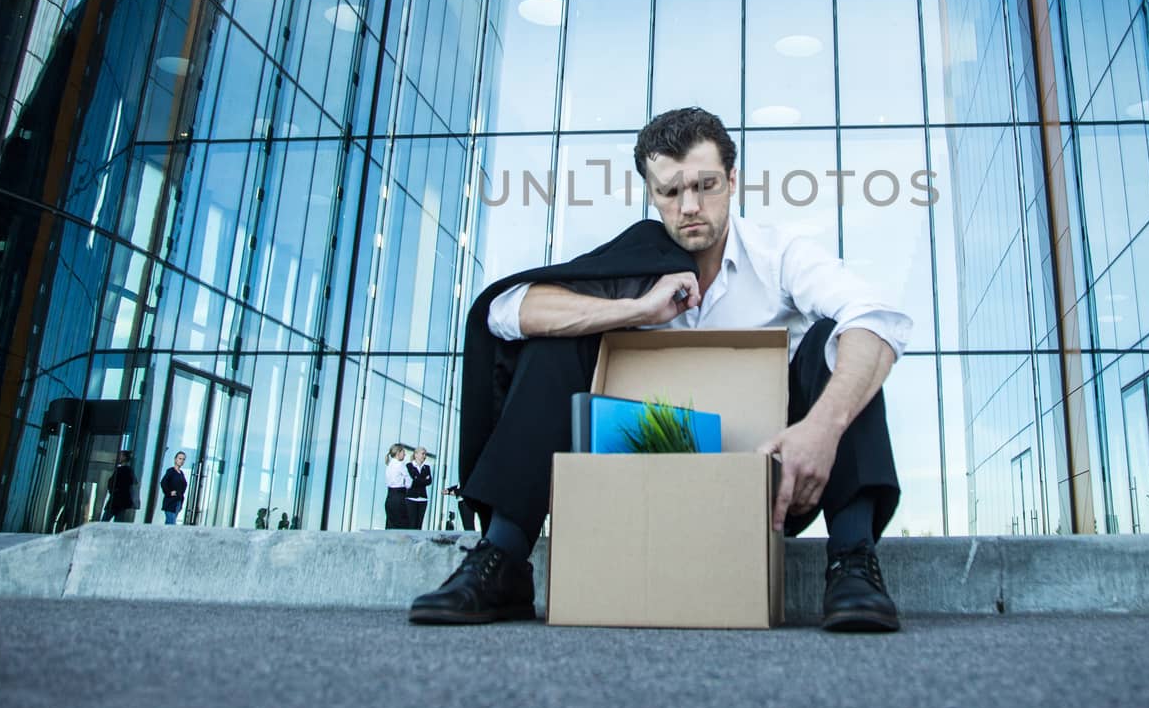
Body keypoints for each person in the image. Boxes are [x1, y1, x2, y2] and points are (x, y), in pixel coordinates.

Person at [410, 107, 911, 632]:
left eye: (706, 185)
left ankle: (852, 559)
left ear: (733, 180)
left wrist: (822, 430)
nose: (690, 206)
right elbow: (505, 312)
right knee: (558, 339)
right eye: (670, 192)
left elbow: (876, 319)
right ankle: (505, 557)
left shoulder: (778, 255)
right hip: (644, 488)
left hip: (770, 488)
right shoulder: (635, 261)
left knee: (844, 341)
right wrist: (636, 311)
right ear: (651, 194)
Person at [102, 451, 138, 523]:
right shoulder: (128, 471)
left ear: (124, 457)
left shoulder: (123, 470)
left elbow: (113, 483)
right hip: (121, 502)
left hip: (116, 501)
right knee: (117, 522)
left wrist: (113, 490)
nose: (118, 458)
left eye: (120, 456)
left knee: (104, 521)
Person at [405, 447, 433, 530]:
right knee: (411, 523)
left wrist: (417, 479)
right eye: (423, 454)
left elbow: (429, 481)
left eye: (425, 454)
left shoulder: (426, 467)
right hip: (411, 498)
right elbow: (413, 479)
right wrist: (423, 479)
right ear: (416, 454)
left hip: (423, 499)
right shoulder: (409, 466)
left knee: (419, 525)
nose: (424, 456)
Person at [384, 443, 410, 529]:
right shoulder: (400, 465)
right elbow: (409, 483)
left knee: (391, 524)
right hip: (399, 497)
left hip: (390, 496)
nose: (405, 454)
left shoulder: (389, 465)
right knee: (402, 525)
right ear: (398, 453)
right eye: (403, 452)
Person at [160, 452, 188, 525]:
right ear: (175, 459)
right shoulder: (171, 471)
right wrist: (169, 492)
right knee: (171, 523)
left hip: (178, 502)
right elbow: (163, 482)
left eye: (183, 459)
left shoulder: (181, 473)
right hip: (171, 502)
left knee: (170, 523)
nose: (181, 461)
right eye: (180, 458)